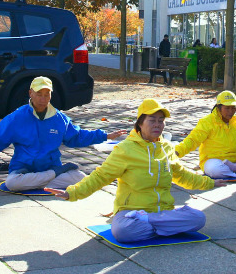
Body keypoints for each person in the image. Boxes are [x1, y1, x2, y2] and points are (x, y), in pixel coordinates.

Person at [45, 99, 225, 243]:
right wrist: (72, 193)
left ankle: (153, 224)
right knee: (122, 231)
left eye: (161, 121)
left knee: (198, 218)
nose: (158, 125)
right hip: (131, 213)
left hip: (162, 211)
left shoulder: (167, 148)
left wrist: (209, 182)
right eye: (152, 120)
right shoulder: (125, 149)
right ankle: (162, 227)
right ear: (140, 123)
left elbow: (181, 175)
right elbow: (100, 176)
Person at [0, 76, 127, 191]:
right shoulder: (16, 117)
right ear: (30, 93)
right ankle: (53, 176)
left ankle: (45, 179)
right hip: (24, 171)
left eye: (47, 94)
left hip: (48, 167)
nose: (43, 98)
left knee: (79, 177)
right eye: (39, 94)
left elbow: (76, 137)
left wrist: (105, 136)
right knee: (12, 183)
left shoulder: (59, 119)